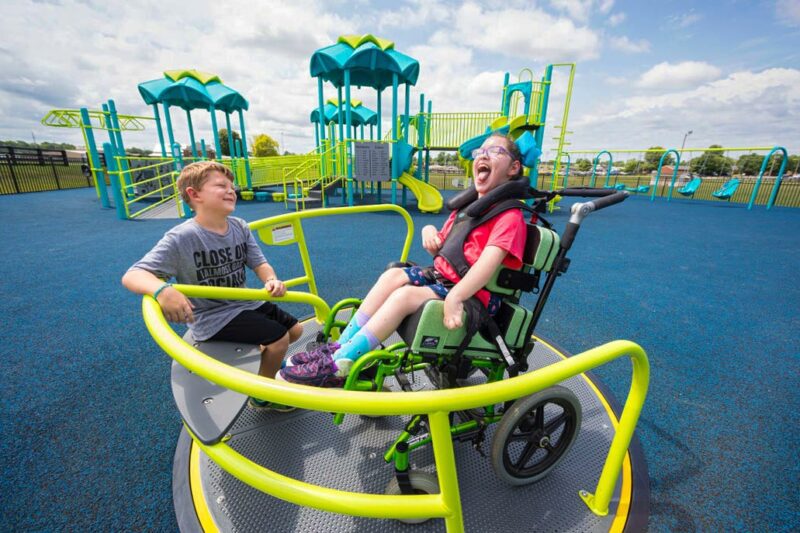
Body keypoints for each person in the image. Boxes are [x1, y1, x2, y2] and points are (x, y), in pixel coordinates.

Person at [280, 133, 528, 387]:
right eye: (479, 152)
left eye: (495, 151)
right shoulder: (468, 209)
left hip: (476, 297)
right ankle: (340, 347)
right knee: (393, 275)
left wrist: (455, 297)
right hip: (446, 282)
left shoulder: (509, 217)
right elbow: (446, 254)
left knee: (404, 296)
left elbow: (485, 268)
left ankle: (340, 364)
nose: (483, 155)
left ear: (513, 168)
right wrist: (429, 233)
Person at [122, 161, 303, 411]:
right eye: (221, 186)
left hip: (245, 303)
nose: (231, 191)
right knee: (279, 339)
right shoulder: (182, 237)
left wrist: (270, 279)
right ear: (194, 195)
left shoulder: (239, 226)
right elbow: (133, 274)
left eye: (232, 186)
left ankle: (264, 368)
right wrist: (162, 290)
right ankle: (263, 394)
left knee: (295, 331)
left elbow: (259, 262)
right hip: (213, 316)